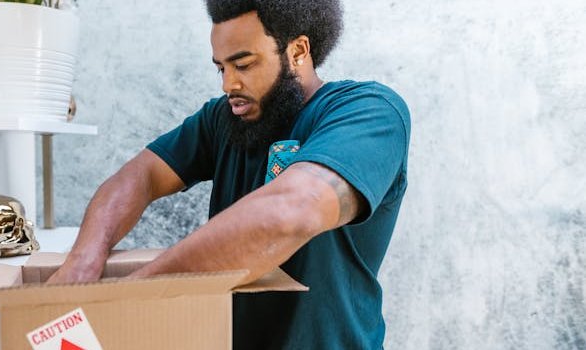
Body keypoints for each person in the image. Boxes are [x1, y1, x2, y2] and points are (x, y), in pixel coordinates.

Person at [48, 0, 410, 348]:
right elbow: (140, 176)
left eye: (244, 64)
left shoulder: (369, 112)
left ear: (298, 51)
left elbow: (292, 211)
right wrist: (82, 262)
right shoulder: (223, 119)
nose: (228, 85)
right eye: (221, 68)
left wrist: (128, 297)